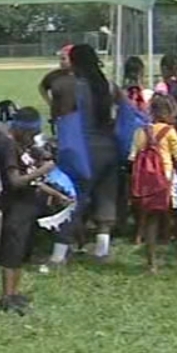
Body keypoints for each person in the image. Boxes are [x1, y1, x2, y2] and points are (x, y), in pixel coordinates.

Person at [48, 44, 122, 265]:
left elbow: (60, 116)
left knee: (75, 199)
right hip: (110, 145)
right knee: (106, 197)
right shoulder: (108, 85)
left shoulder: (70, 86)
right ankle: (102, 250)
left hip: (85, 149)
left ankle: (59, 254)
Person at [0, 108, 55, 315]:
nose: (32, 137)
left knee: (20, 251)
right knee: (11, 252)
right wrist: (43, 169)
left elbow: (32, 175)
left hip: (28, 205)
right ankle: (6, 295)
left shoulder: (24, 147)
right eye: (30, 133)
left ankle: (14, 293)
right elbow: (15, 181)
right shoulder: (9, 147)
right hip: (15, 205)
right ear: (19, 130)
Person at [130, 94, 177, 273]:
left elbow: (132, 156)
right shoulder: (169, 131)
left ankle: (151, 261)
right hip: (167, 178)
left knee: (151, 220)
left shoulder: (141, 131)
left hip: (148, 182)